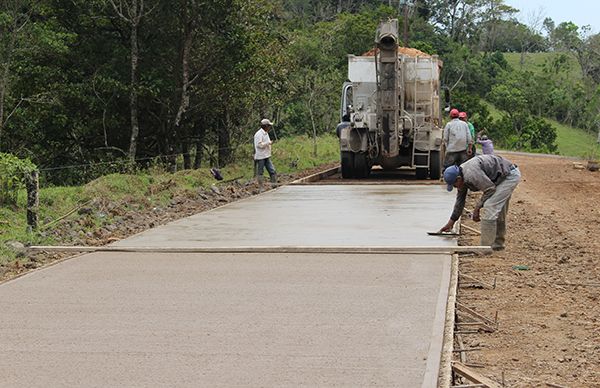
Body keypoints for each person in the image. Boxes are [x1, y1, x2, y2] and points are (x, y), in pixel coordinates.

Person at [439, 154, 521, 251]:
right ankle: (498, 245)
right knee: (498, 210)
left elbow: (490, 189)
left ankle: (485, 248)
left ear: (458, 179)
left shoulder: (471, 174)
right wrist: (451, 222)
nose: (456, 188)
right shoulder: (462, 178)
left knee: (490, 206)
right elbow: (460, 202)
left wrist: (477, 208)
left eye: (455, 185)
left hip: (509, 176)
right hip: (500, 178)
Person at [254, 118, 277, 185]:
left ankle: (274, 185)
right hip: (261, 156)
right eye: (269, 126)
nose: (270, 127)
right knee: (260, 172)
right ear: (266, 126)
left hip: (266, 155)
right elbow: (259, 145)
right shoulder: (258, 134)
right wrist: (268, 143)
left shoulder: (266, 133)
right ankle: (261, 187)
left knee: (272, 170)